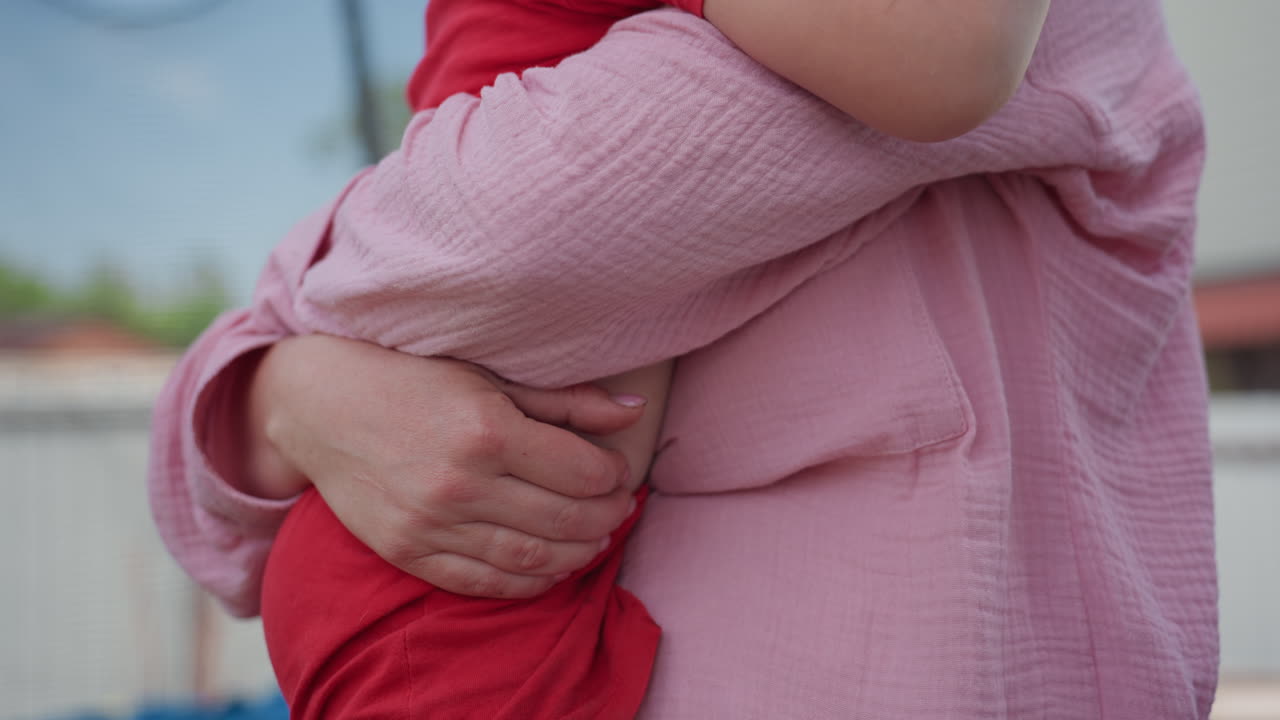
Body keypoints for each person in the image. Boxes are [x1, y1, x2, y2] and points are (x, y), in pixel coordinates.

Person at [149, 1, 1218, 717]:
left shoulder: (1039, 33)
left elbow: (506, 228)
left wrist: (290, 357)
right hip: (438, 630)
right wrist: (282, 394)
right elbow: (196, 487)